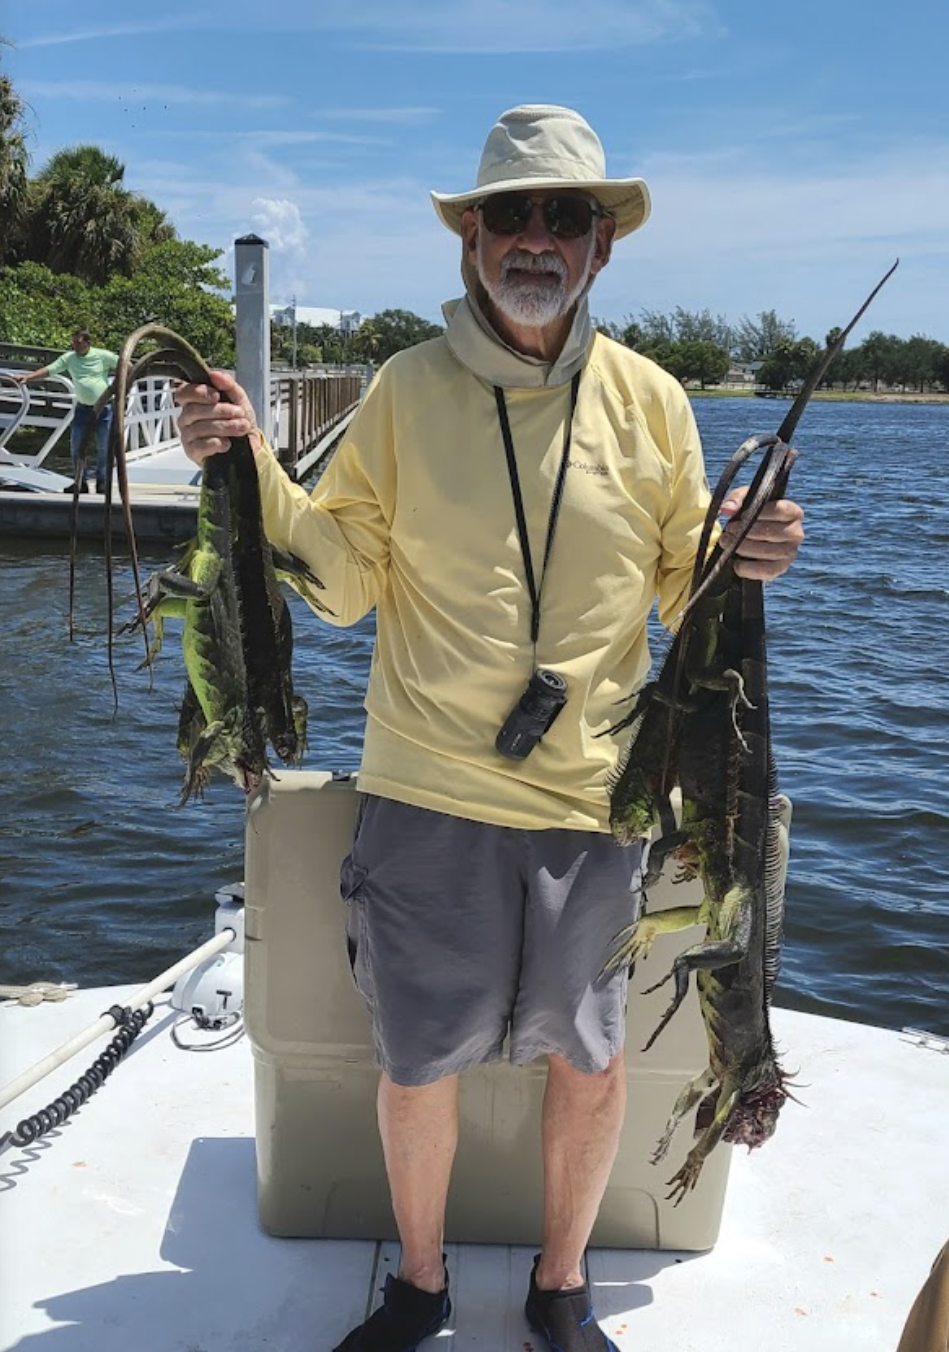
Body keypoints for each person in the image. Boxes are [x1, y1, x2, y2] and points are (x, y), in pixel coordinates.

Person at [175, 104, 805, 1352]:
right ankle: (419, 1285)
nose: (536, 238)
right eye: (510, 213)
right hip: (427, 790)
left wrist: (749, 554)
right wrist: (245, 466)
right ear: (470, 236)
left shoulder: (654, 402)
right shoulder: (405, 388)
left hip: (595, 799)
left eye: (564, 216)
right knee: (417, 1060)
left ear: (600, 244)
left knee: (593, 1060)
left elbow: (682, 595)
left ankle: (560, 1290)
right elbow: (344, 582)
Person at [12, 329, 118, 493]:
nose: (75, 346)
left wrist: (120, 385)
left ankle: (102, 482)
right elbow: (50, 369)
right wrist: (28, 377)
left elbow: (126, 366)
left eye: (78, 342)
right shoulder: (69, 358)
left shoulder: (103, 356)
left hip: (104, 408)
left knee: (104, 447)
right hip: (83, 408)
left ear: (87, 342)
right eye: (73, 342)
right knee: (76, 446)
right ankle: (80, 482)